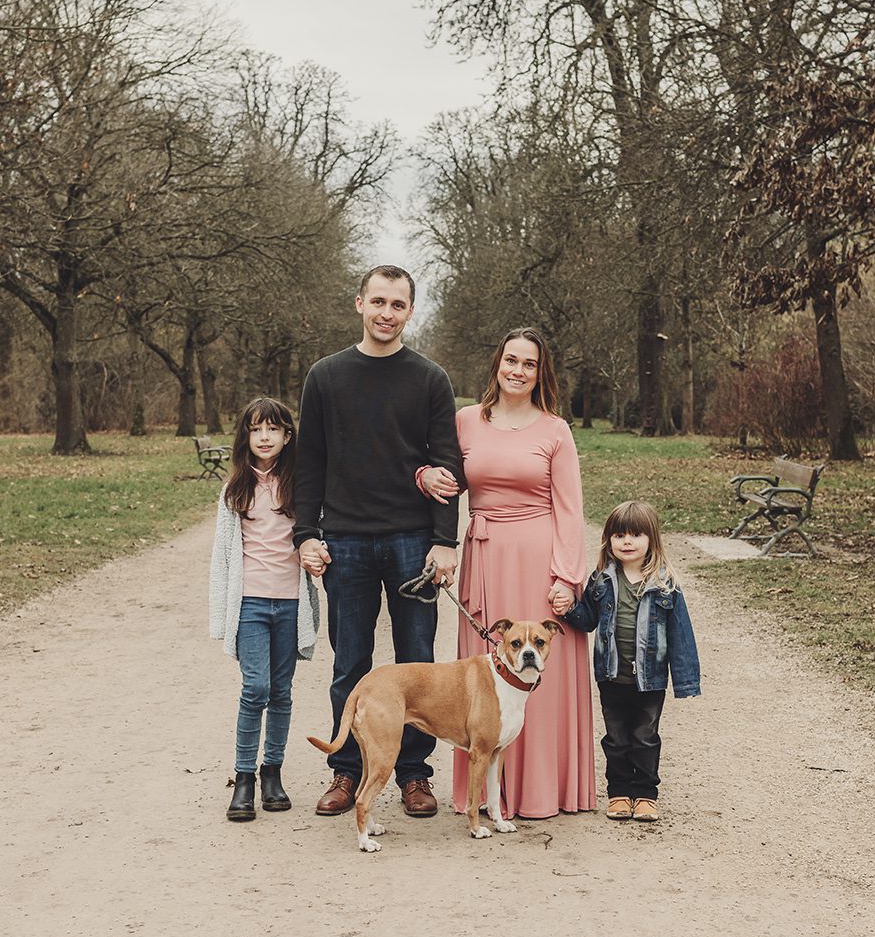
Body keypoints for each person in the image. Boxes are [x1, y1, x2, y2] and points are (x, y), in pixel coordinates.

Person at [294, 266, 463, 819]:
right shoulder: (325, 377)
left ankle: (414, 774)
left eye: (398, 304)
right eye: (378, 302)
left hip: (413, 541)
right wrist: (306, 533)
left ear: (411, 311)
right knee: (352, 663)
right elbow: (310, 465)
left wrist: (444, 541)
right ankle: (347, 770)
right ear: (360, 303)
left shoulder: (430, 379)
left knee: (419, 664)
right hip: (346, 539)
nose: (387, 313)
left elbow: (447, 464)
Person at [419, 327, 593, 819]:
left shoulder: (555, 430)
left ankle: (542, 790)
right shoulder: (466, 420)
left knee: (540, 670)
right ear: (497, 363)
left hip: (539, 558)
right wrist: (423, 475)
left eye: (529, 364)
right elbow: (441, 474)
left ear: (542, 373)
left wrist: (566, 577)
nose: (518, 371)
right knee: (483, 677)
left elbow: (570, 509)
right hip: (485, 556)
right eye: (511, 360)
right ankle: (482, 796)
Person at [208, 397, 319, 822]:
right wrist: (222, 618)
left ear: (288, 436)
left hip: (289, 603)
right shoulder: (235, 489)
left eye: (274, 429)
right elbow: (222, 555)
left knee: (282, 691)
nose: (265, 437)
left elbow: (313, 536)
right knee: (256, 689)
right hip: (250, 603)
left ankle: (273, 772)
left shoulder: (301, 486)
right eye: (256, 429)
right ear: (246, 437)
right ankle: (244, 778)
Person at [556, 500, 701, 823]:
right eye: (619, 535)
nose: (627, 542)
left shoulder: (665, 584)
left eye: (635, 535)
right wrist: (568, 608)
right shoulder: (602, 580)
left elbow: (681, 635)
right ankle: (619, 792)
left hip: (650, 681)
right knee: (616, 738)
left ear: (651, 540)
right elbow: (588, 621)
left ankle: (646, 794)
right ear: (609, 540)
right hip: (611, 677)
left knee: (646, 737)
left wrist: (686, 680)